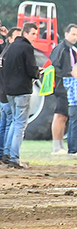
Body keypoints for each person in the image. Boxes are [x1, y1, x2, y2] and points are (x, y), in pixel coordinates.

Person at [2, 22, 40, 168]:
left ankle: (7, 153)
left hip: (9, 91)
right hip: (22, 91)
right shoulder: (27, 48)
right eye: (33, 34)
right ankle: (14, 158)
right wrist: (37, 73)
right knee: (20, 124)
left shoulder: (11, 47)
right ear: (25, 33)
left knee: (14, 122)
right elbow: (31, 70)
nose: (35, 37)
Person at [49, 23, 77, 155]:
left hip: (70, 87)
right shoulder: (60, 49)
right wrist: (69, 76)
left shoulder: (73, 51)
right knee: (60, 115)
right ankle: (56, 147)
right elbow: (54, 67)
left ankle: (61, 145)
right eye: (73, 34)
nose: (75, 37)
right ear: (66, 34)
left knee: (65, 117)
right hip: (62, 87)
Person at [0, 27, 22, 164]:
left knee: (4, 123)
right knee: (10, 123)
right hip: (6, 92)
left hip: (2, 93)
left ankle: (2, 152)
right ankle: (7, 153)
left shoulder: (4, 52)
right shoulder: (10, 55)